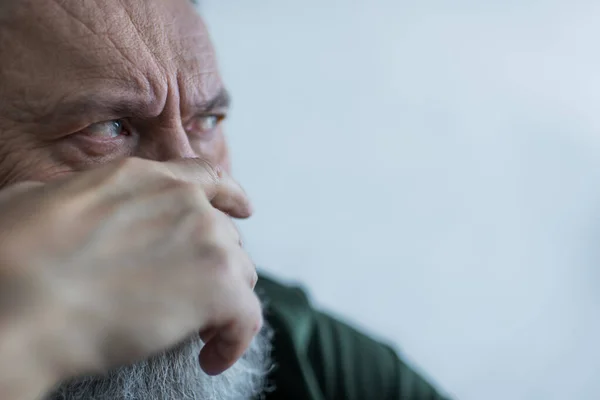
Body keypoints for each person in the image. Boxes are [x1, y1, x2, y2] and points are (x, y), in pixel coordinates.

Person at [0, 1, 451, 399]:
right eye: (106, 128)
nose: (189, 191)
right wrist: (29, 332)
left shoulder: (311, 359)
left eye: (207, 120)